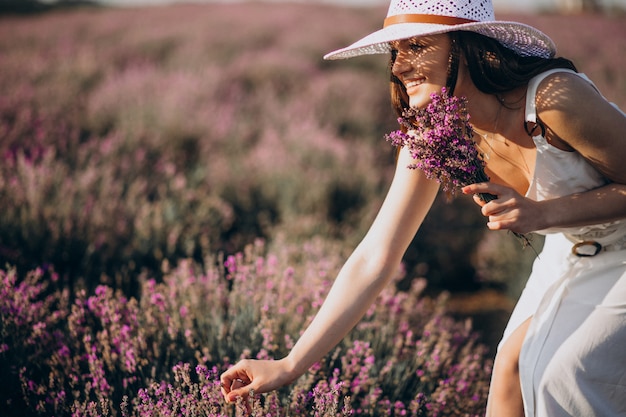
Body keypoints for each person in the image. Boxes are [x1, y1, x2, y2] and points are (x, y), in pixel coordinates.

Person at [220, 0, 626, 415]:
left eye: (415, 46)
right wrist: (290, 364)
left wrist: (545, 215)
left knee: (564, 376)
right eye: (396, 52)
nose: (398, 67)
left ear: (465, 46)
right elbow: (376, 256)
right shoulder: (435, 137)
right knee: (509, 372)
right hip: (571, 252)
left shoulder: (554, 99)